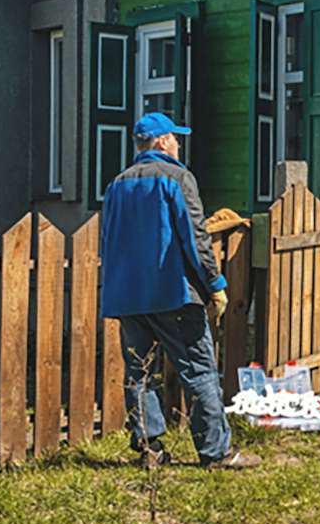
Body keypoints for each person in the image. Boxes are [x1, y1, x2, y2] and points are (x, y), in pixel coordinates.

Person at [100, 111, 256, 470]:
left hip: (128, 296)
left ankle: (150, 449)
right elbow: (195, 239)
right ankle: (215, 451)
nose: (179, 143)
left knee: (140, 373)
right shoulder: (177, 178)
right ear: (161, 141)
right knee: (198, 370)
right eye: (175, 137)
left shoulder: (117, 185)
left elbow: (108, 242)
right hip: (173, 291)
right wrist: (215, 285)